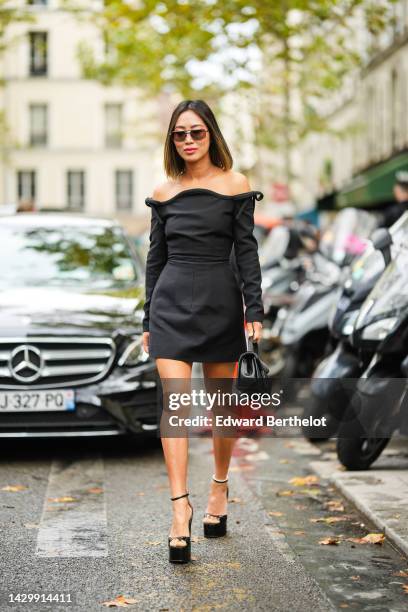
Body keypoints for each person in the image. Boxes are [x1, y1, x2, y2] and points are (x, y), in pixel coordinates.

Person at [142, 99, 264, 564]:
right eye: (179, 134)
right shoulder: (164, 191)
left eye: (196, 132)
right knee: (173, 406)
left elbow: (247, 251)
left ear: (211, 133)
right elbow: (156, 259)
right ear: (172, 140)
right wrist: (147, 316)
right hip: (171, 304)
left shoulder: (236, 185)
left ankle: (218, 486)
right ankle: (179, 510)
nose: (188, 140)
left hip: (220, 302)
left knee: (222, 407)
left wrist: (254, 307)